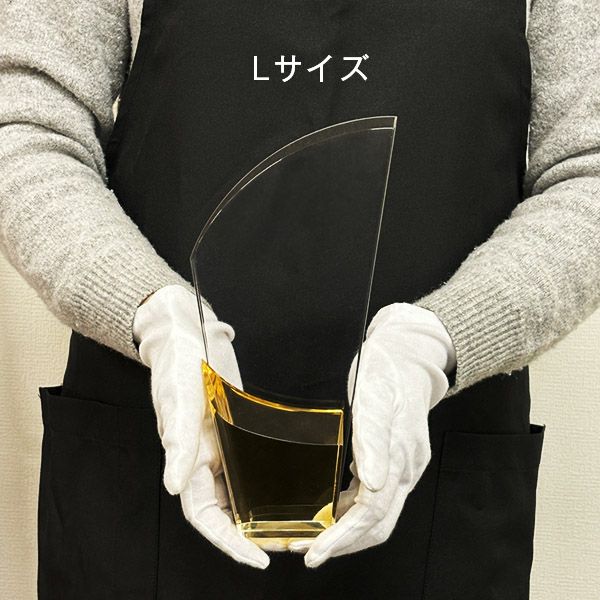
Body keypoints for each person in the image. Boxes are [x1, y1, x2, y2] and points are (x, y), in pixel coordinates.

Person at [1, 0, 598, 597]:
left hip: (437, 479)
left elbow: (588, 169)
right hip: (156, 458)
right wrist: (152, 312)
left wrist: (442, 338)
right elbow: (27, 123)